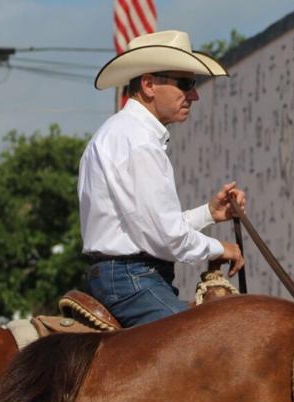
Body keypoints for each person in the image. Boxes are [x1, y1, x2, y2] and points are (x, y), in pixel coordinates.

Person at [79, 29, 246, 327]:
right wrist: (221, 249)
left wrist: (209, 213)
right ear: (148, 85)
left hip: (122, 278)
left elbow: (150, 227)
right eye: (186, 84)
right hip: (132, 280)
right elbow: (166, 236)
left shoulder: (120, 133)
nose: (194, 95)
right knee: (200, 343)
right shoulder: (139, 141)